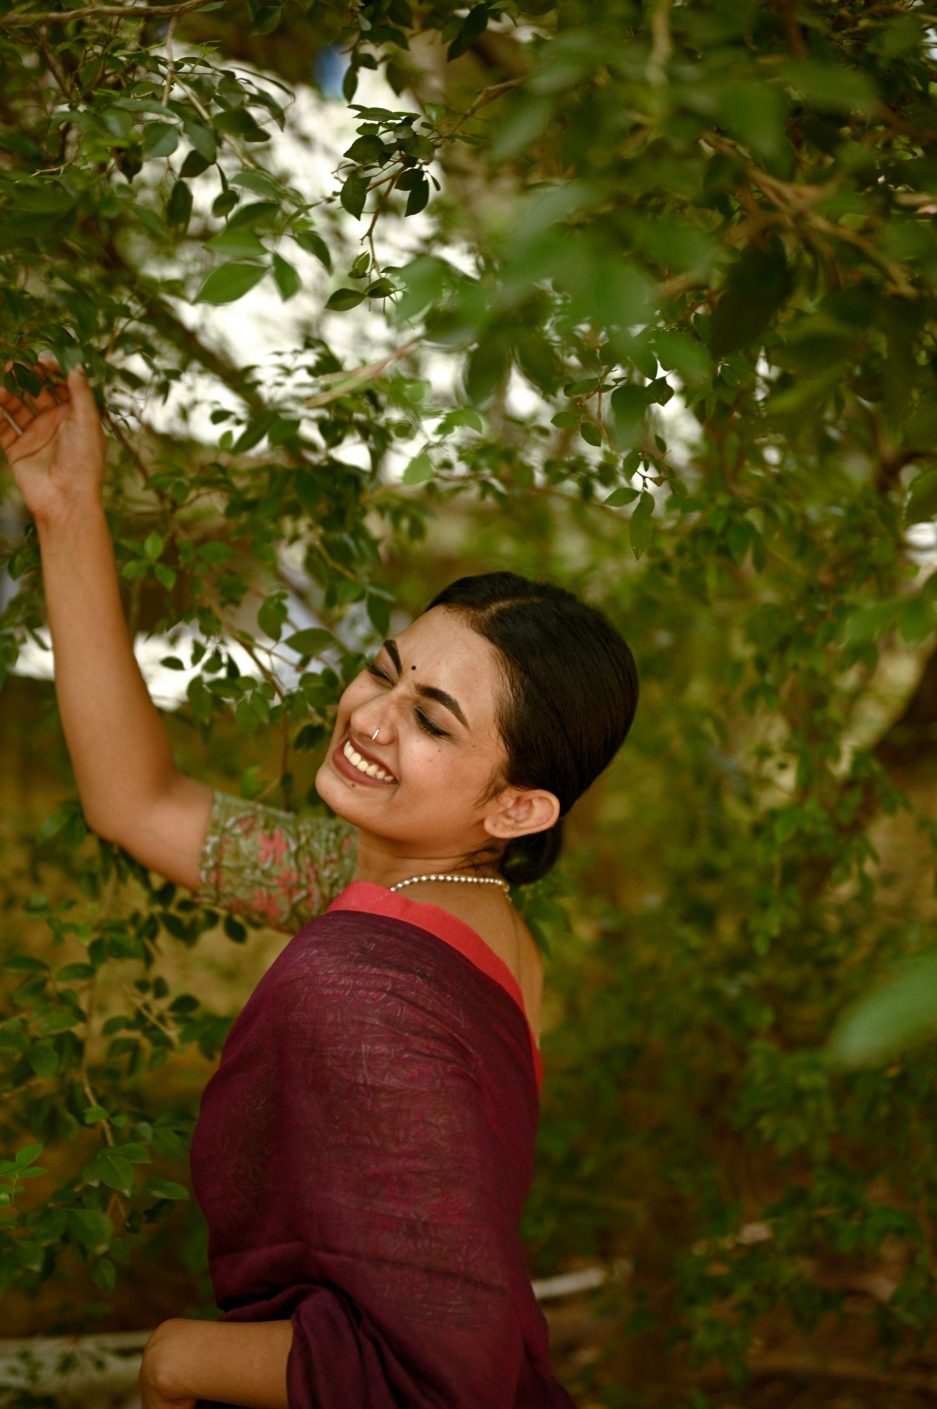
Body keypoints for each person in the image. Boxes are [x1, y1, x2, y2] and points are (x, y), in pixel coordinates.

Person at [1, 361, 638, 1409]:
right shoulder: (420, 898)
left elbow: (441, 1373)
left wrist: (177, 1357)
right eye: (384, 668)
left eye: (435, 719)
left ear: (518, 806)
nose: (373, 717)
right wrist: (68, 510)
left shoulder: (373, 984)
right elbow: (137, 800)